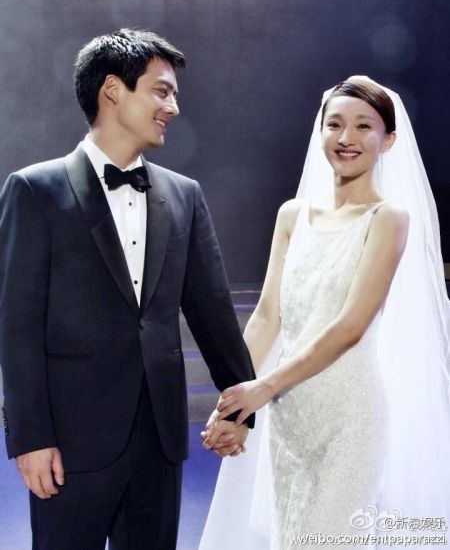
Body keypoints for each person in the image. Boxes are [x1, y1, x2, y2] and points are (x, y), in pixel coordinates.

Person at [0, 28, 255, 550]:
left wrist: (239, 408)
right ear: (113, 90)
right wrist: (30, 438)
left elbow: (212, 313)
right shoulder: (33, 189)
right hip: (68, 445)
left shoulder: (184, 195)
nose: (174, 107)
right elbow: (16, 325)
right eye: (162, 91)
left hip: (160, 441)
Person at [200, 77, 450, 549]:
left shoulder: (389, 218)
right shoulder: (292, 215)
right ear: (320, 132)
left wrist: (263, 388)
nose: (346, 137)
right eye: (334, 124)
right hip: (288, 419)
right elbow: (267, 316)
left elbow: (351, 325)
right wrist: (231, 405)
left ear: (388, 140)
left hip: (349, 417)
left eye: (363, 126)